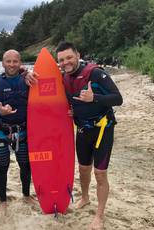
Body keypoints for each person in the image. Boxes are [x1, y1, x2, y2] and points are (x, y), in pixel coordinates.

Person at [55, 41, 123, 230]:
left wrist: (95, 98)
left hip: (102, 129)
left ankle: (99, 216)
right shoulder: (64, 78)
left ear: (77, 55)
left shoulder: (95, 73)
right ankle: (85, 197)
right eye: (61, 60)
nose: (66, 62)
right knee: (83, 169)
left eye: (69, 57)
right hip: (82, 130)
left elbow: (118, 98)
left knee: (100, 174)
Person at [0, 49, 36, 214]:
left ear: (20, 63)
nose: (12, 65)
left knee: (25, 166)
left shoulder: (28, 80)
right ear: (3, 63)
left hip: (23, 133)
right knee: (2, 167)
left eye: (15, 61)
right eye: (8, 61)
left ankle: (26, 195)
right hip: (1, 134)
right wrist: (0, 113)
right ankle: (3, 201)